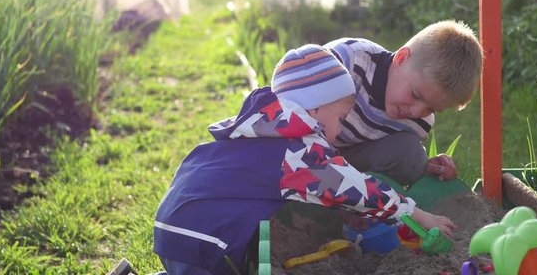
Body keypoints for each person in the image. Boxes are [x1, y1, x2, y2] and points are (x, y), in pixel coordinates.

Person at [151, 44, 456, 275]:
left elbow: (317, 190)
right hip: (205, 240)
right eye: (340, 117)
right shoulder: (299, 150)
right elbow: (360, 189)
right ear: (314, 110)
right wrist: (418, 216)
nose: (339, 130)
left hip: (177, 224)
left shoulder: (264, 125)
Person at [324, 20, 483, 186]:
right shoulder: (350, 61)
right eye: (415, 94)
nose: (415, 112)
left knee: (410, 154)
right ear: (401, 58)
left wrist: (426, 167)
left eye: (431, 108)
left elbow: (395, 156)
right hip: (303, 150)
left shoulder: (418, 122)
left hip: (347, 163)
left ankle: (354, 198)